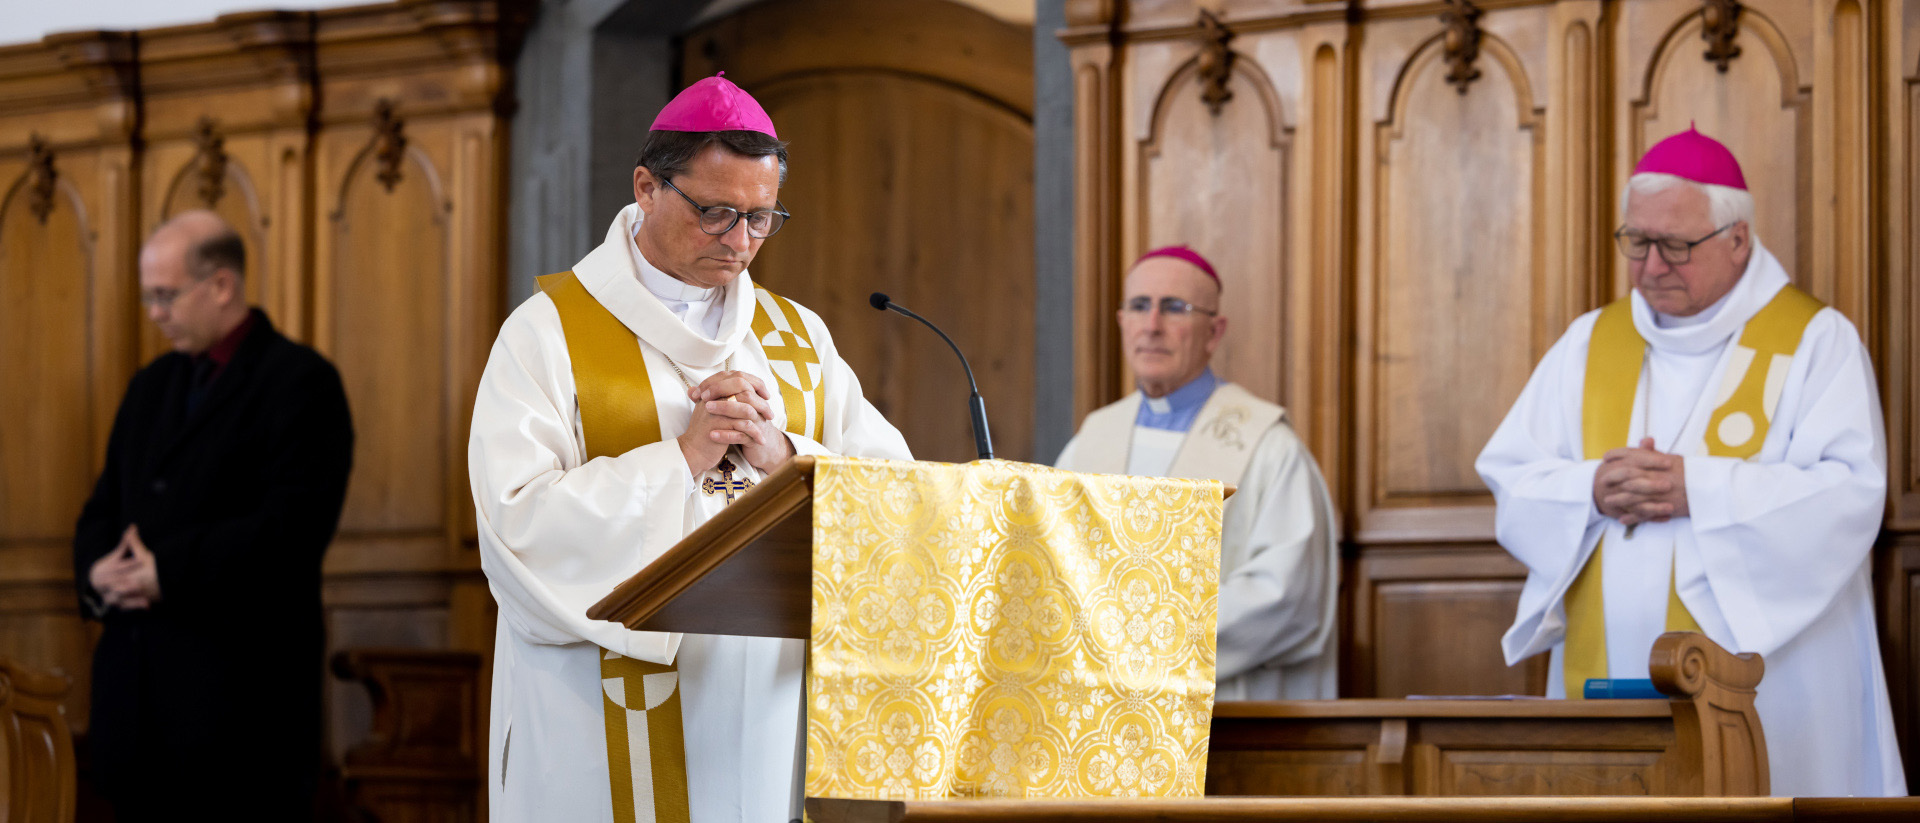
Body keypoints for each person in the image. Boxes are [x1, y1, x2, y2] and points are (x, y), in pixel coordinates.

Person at [469, 74, 910, 823]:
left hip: (767, 708)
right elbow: (517, 524)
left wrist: (785, 456)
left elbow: (896, 500)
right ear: (646, 186)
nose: (740, 242)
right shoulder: (548, 333)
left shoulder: (798, 339)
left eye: (762, 218)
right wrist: (680, 460)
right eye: (715, 213)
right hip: (597, 707)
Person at [1477, 127, 1905, 796]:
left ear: (1738, 239)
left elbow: (1851, 495)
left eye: (1675, 246)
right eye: (1636, 243)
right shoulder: (1589, 342)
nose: (1651, 266)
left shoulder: (1816, 342)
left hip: (1774, 679)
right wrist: (1591, 487)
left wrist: (1699, 486)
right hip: (1610, 663)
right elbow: (1512, 476)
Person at [72, 210, 355, 821]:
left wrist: (165, 571)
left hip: (239, 717)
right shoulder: (149, 387)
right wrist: (98, 572)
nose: (154, 312)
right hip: (135, 715)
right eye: (148, 296)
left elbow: (292, 529)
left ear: (221, 285)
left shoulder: (300, 382)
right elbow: (102, 509)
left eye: (165, 295)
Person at [1054, 246, 1339, 700]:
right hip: (1096, 713)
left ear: (1214, 332)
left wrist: (1142, 641)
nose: (1152, 325)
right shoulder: (1088, 443)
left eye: (1174, 308)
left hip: (1221, 719)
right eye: (1139, 306)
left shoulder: (1268, 447)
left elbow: (1285, 595)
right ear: (1122, 321)